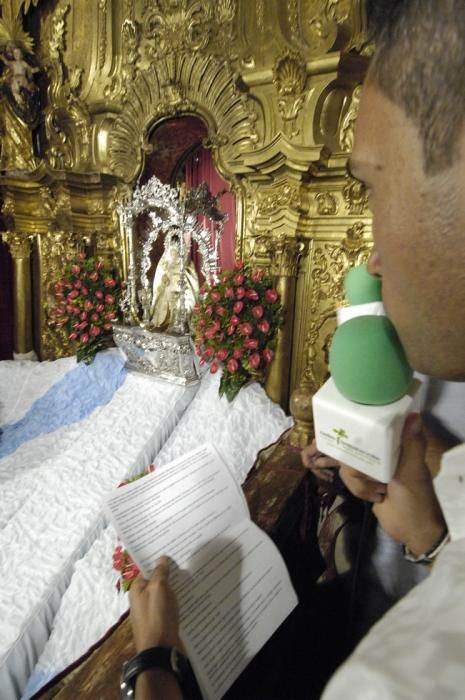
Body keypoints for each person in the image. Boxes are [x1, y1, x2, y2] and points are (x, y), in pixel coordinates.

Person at [128, 1, 465, 697]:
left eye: (371, 186)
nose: (371, 249)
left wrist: (152, 664)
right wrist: (416, 486)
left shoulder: (401, 679)